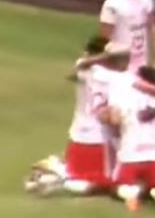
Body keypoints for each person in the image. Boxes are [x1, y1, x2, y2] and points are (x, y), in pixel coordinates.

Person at [30, 38, 134, 196]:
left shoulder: (85, 70)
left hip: (77, 138)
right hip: (100, 142)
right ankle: (58, 177)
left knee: (86, 176)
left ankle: (59, 169)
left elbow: (76, 69)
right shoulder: (115, 78)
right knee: (108, 183)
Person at [103, 76, 155, 213]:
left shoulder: (119, 92)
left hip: (131, 155)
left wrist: (106, 116)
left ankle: (131, 195)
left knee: (118, 186)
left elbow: (114, 120)